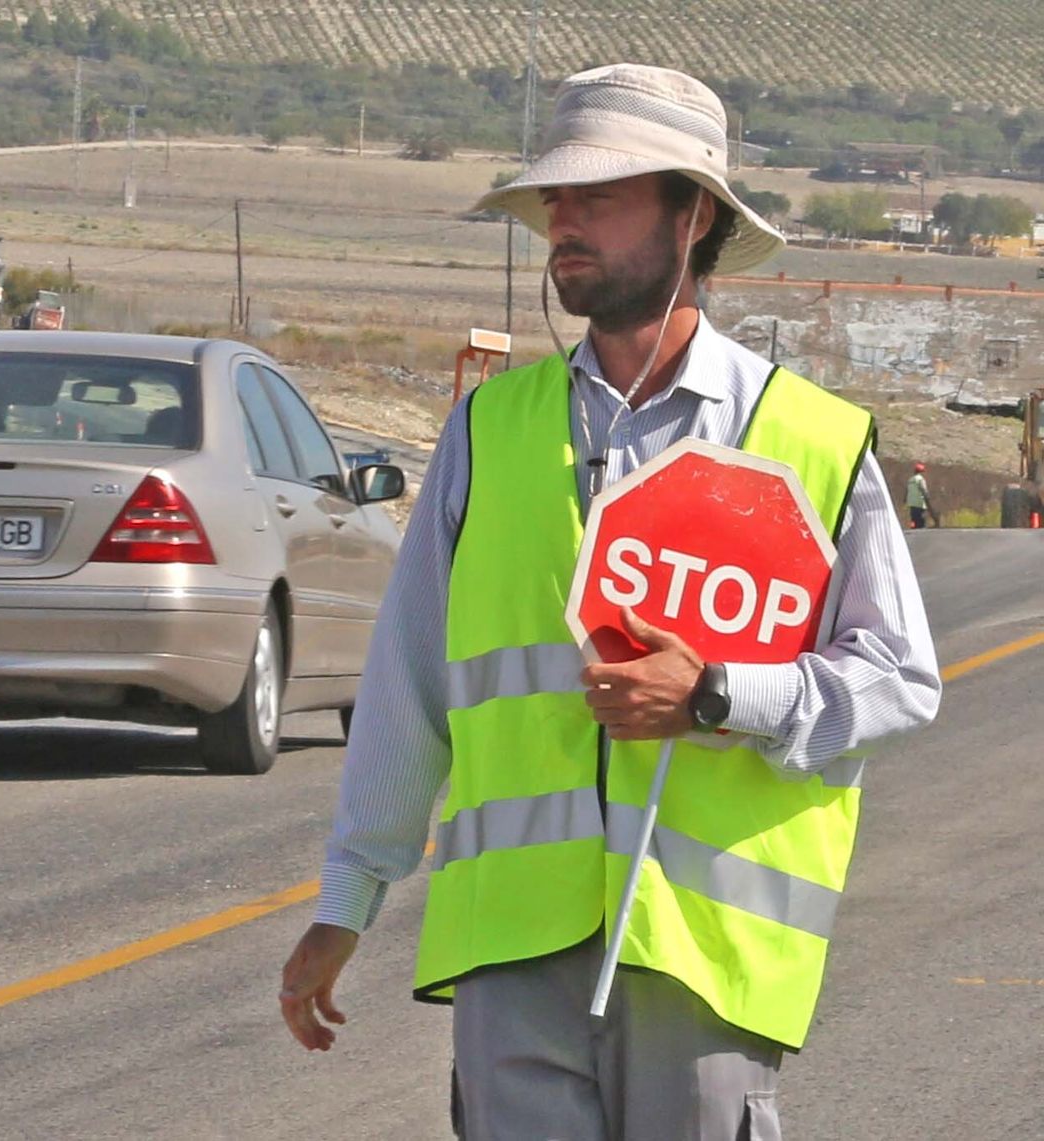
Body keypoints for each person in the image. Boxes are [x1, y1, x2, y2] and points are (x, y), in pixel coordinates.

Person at [278, 63, 941, 1141]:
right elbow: (409, 686)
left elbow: (899, 678)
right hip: (513, 954)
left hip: (702, 961)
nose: (564, 219)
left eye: (602, 194)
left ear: (692, 216)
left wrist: (720, 695)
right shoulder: (490, 431)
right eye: (556, 198)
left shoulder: (810, 444)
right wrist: (345, 902)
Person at [907, 461, 934, 528]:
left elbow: (907, 491)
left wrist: (905, 500)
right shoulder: (920, 479)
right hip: (919, 502)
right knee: (921, 518)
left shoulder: (910, 480)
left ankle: (913, 528)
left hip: (911, 502)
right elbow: (924, 489)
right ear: (922, 472)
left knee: (914, 518)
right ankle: (920, 530)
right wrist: (927, 497)